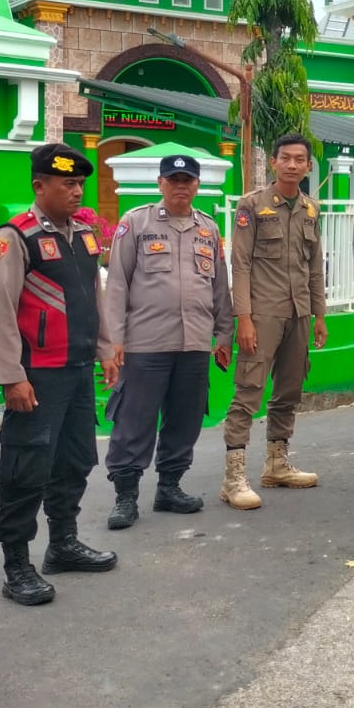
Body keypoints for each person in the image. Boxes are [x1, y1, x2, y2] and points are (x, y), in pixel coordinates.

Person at [0, 142, 118, 606]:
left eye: (80, 183)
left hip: (77, 370)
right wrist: (10, 376)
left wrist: (104, 350)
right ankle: (16, 565)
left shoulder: (83, 234)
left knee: (75, 461)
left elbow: (94, 299)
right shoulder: (14, 237)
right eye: (67, 184)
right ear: (39, 186)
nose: (77, 192)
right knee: (26, 469)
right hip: (36, 376)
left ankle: (62, 544)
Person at [100, 154, 234, 529]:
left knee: (185, 419)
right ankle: (125, 496)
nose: (181, 185)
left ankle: (170, 487)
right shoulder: (136, 223)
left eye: (187, 179)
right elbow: (118, 284)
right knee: (134, 420)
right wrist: (115, 340)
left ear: (197, 185)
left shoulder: (208, 229)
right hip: (145, 344)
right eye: (173, 179)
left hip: (194, 345)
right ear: (160, 183)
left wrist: (224, 334)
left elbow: (220, 288)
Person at [219, 132, 327, 509]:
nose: (293, 165)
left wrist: (319, 316)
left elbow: (315, 269)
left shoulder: (312, 209)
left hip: (299, 313)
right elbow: (242, 265)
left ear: (308, 165)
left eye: (300, 159)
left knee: (289, 391)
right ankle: (234, 478)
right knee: (249, 391)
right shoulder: (253, 206)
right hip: (263, 314)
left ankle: (277, 465)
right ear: (275, 162)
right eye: (287, 158)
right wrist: (243, 320)